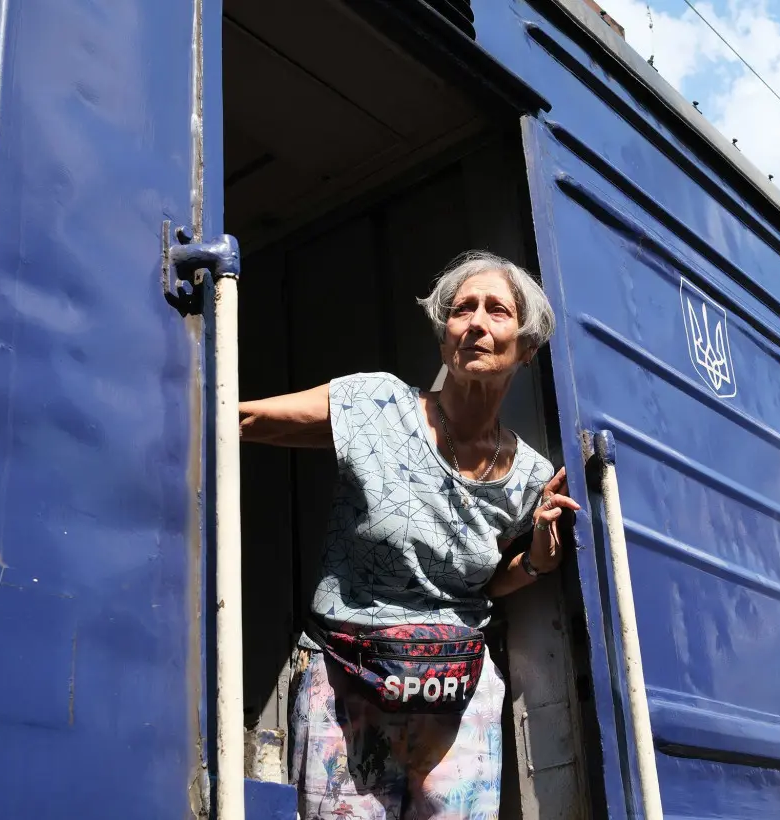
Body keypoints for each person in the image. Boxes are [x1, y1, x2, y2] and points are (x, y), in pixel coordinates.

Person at [239, 250, 578, 820]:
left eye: (496, 311)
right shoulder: (380, 406)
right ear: (444, 337)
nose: (474, 322)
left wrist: (540, 558)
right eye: (461, 309)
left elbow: (487, 585)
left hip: (456, 698)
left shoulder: (531, 478)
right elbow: (245, 420)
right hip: (348, 685)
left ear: (527, 346)